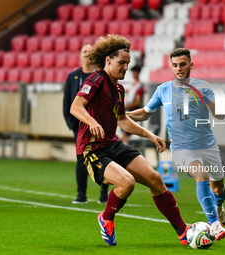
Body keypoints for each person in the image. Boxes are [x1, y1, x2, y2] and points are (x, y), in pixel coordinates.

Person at [70, 35, 189, 246]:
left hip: (112, 144)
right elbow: (76, 106)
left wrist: (150, 135)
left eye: (128, 63)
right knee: (127, 183)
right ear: (108, 60)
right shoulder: (95, 80)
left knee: (155, 179)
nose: (126, 67)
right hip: (92, 149)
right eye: (121, 63)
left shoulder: (118, 89)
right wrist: (91, 122)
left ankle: (183, 231)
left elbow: (122, 120)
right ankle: (106, 218)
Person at [127, 48, 225, 241]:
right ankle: (214, 224)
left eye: (182, 64)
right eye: (175, 65)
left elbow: (221, 114)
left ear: (191, 64)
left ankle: (219, 205)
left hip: (207, 146)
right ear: (171, 67)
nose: (179, 69)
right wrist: (122, 115)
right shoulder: (163, 90)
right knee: (201, 175)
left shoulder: (203, 87)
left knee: (219, 189)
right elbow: (145, 112)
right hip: (182, 148)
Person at [63, 43, 108, 204]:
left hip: (99, 125)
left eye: (90, 52)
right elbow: (67, 102)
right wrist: (72, 124)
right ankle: (81, 194)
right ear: (80, 55)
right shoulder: (73, 76)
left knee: (103, 156)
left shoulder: (101, 76)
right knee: (81, 159)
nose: (87, 54)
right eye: (84, 51)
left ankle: (104, 193)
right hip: (79, 127)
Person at [121, 65, 144, 145]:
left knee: (124, 136)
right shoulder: (134, 85)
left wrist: (126, 106)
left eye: (135, 72)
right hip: (129, 111)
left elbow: (137, 102)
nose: (133, 74)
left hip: (132, 113)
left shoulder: (138, 87)